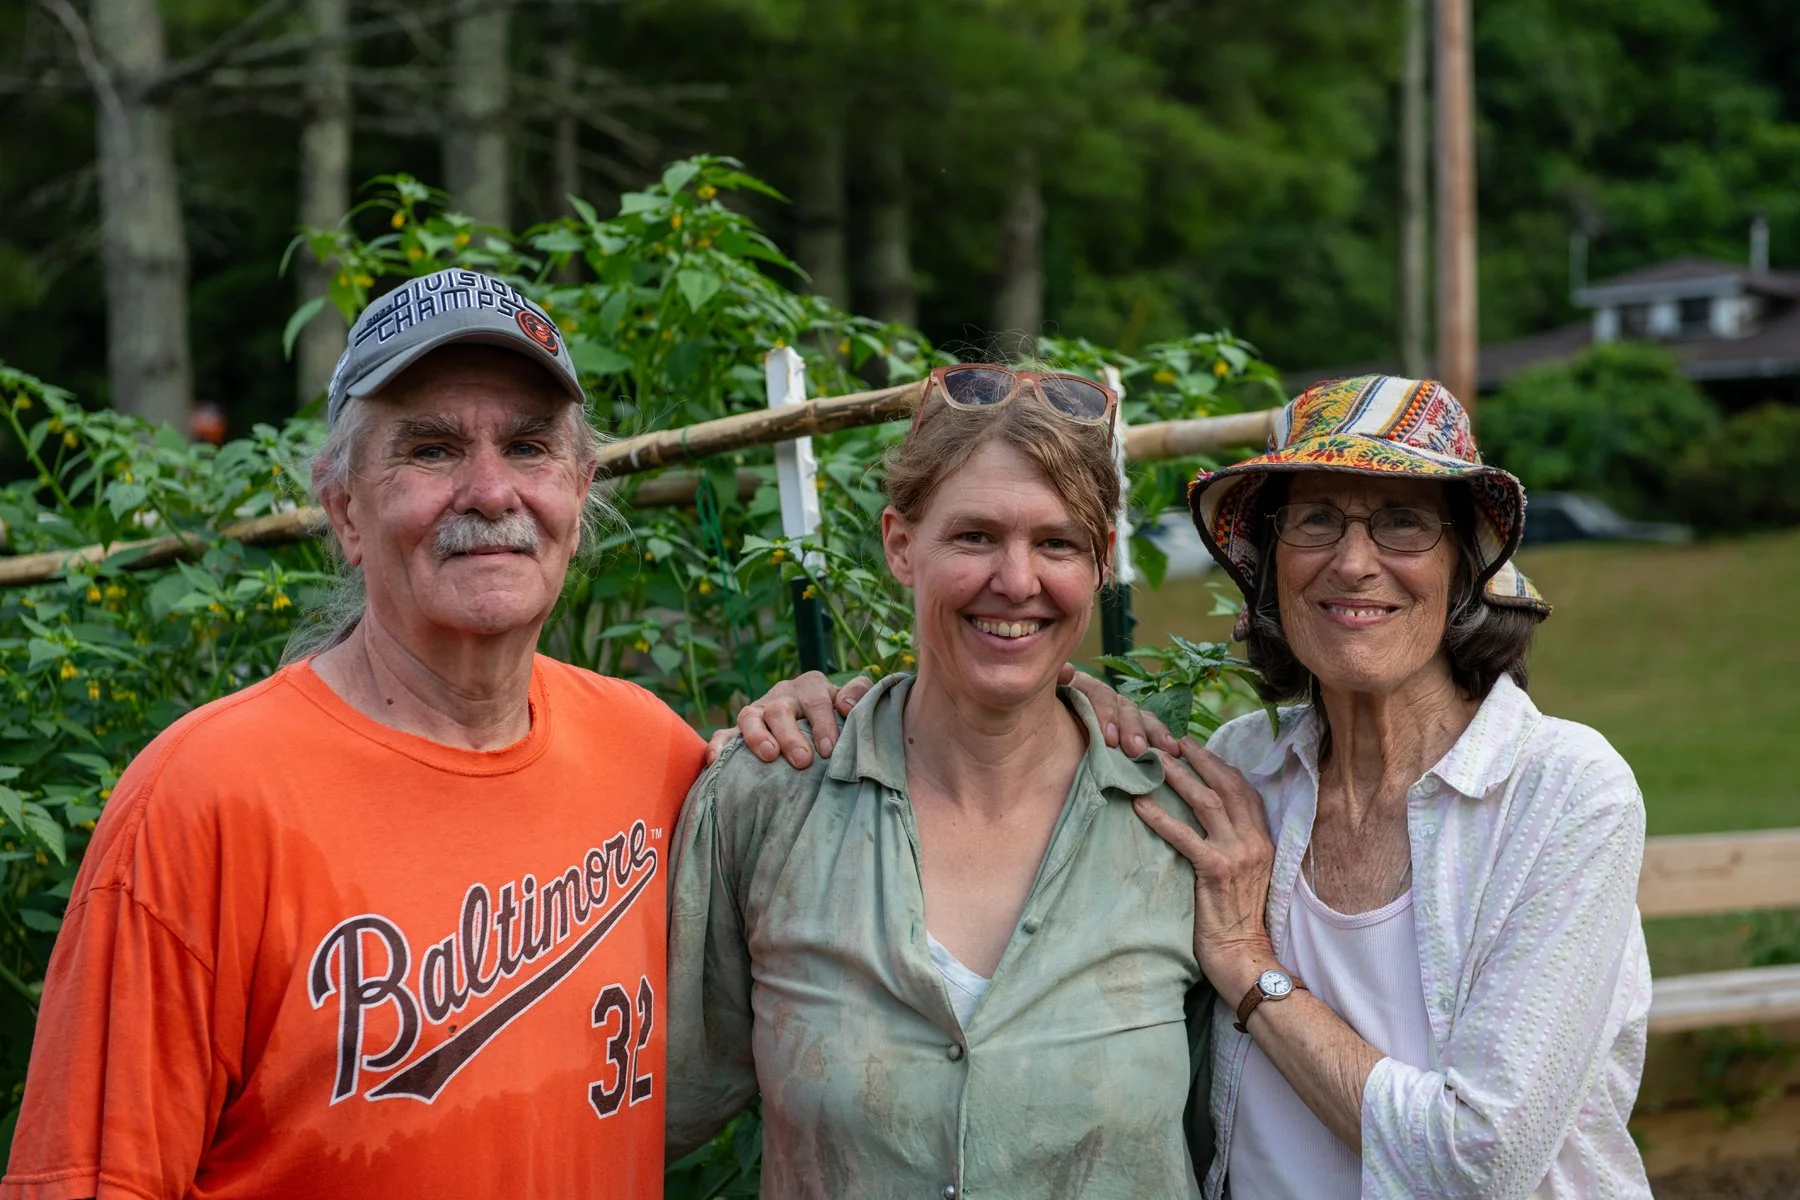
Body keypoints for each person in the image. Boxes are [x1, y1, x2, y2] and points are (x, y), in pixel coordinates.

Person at [2, 269, 713, 1199]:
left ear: (578, 496)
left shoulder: (651, 753)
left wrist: (833, 725)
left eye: (530, 447)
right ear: (343, 509)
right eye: (430, 450)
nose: (491, 491)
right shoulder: (203, 801)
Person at [665, 364, 1216, 1198]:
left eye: (1057, 542)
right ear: (899, 544)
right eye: (974, 537)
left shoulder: (1181, 827)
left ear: (1103, 561)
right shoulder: (768, 801)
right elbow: (654, 1110)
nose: (1018, 580)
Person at [1135, 374, 1653, 1198]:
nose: (1352, 562)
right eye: (1315, 520)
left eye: (1402, 522)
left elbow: (1476, 1163)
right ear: (1271, 562)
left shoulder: (1562, 792)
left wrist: (1247, 966)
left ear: (1463, 564)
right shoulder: (1247, 766)